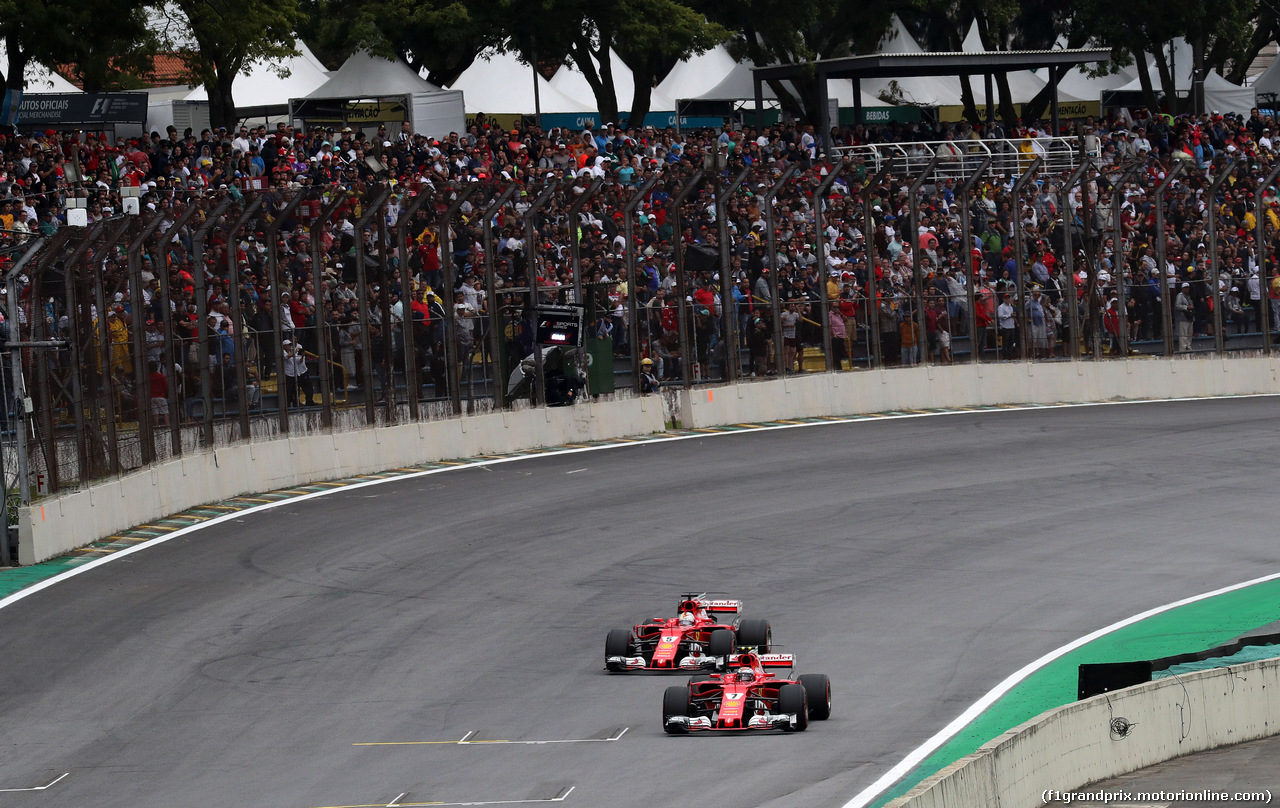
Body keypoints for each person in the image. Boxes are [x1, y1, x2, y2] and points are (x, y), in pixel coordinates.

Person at [282, 339, 312, 406]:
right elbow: (287, 357)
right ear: (285, 346)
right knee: (289, 392)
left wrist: (302, 356)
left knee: (296, 391)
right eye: (288, 345)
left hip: (295, 374)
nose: (290, 347)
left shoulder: (293, 352)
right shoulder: (283, 352)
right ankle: (288, 405)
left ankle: (296, 404)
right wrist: (295, 351)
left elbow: (299, 361)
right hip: (288, 374)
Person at [1175, 283, 1194, 351]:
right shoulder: (1180, 296)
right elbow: (1177, 305)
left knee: (1189, 334)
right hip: (1182, 317)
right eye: (1185, 288)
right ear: (1182, 288)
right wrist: (1186, 307)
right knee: (1183, 334)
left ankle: (1188, 346)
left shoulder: (1189, 296)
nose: (1187, 289)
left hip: (1189, 317)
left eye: (1188, 287)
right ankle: (1183, 348)